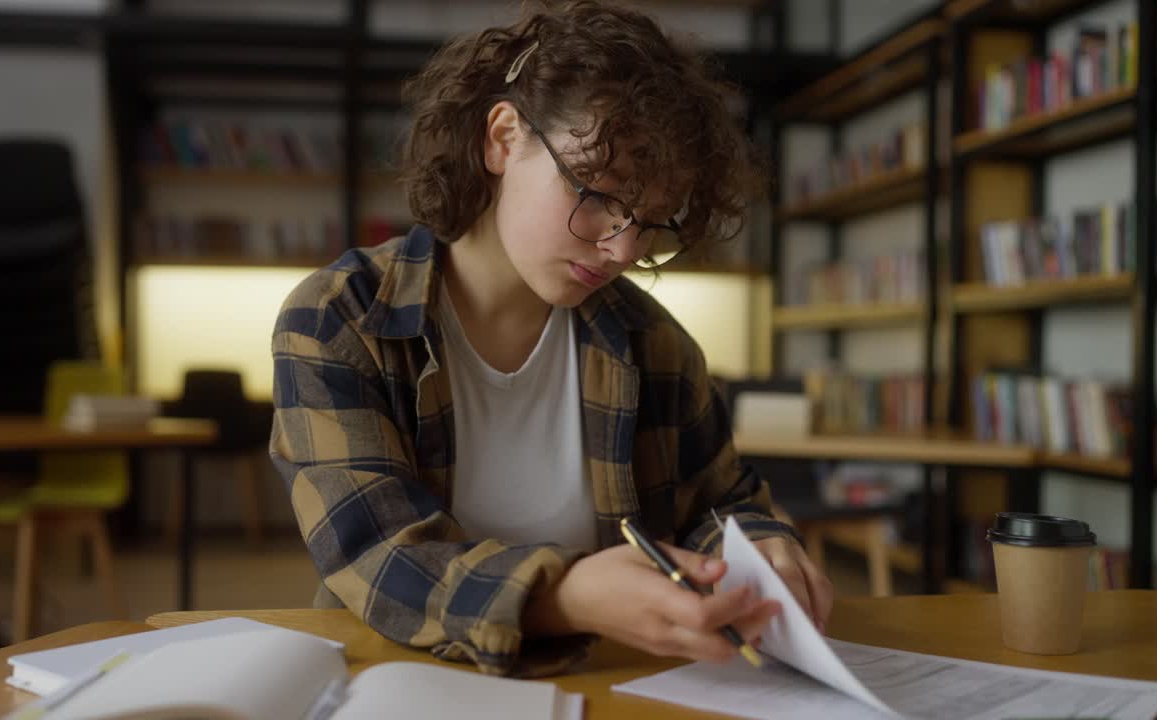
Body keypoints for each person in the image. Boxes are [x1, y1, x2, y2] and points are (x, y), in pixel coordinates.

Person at [270, 0, 832, 677]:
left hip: (607, 684)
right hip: (397, 680)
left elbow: (721, 502)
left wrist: (761, 548)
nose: (623, 248)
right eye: (597, 193)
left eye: (651, 221)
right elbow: (377, 555)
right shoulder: (341, 319)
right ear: (503, 139)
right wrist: (564, 596)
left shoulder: (656, 344)